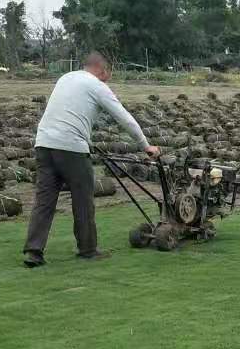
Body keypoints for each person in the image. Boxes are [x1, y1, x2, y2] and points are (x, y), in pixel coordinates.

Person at [22, 52, 159, 267]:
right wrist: (146, 145)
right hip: (71, 148)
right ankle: (88, 249)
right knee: (83, 198)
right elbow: (123, 117)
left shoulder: (65, 78)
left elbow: (69, 111)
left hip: (43, 144)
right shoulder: (96, 85)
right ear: (102, 70)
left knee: (44, 201)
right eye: (108, 75)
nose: (108, 80)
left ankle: (33, 251)